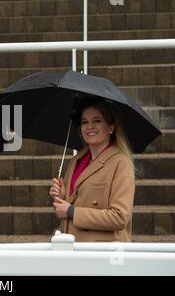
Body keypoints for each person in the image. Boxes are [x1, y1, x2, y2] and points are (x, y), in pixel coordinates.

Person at [49, 97, 135, 242]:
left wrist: (71, 211)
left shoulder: (121, 163)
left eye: (97, 121)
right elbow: (69, 208)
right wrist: (62, 197)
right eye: (84, 122)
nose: (89, 126)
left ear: (111, 127)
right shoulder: (76, 161)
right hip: (73, 248)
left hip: (103, 253)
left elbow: (120, 217)